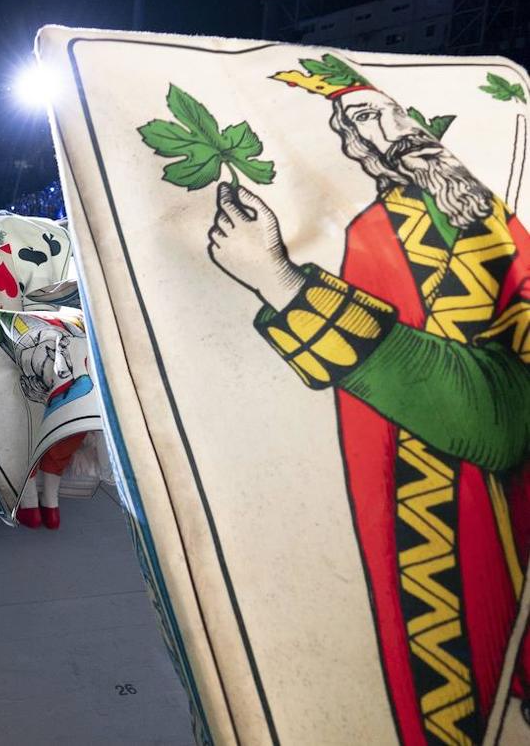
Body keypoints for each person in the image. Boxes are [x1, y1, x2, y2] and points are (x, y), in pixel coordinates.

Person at [207, 54, 530, 743]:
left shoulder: (509, 224)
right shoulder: (370, 234)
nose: (385, 124)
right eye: (362, 119)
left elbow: (505, 412)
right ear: (354, 147)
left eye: (391, 112)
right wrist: (279, 279)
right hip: (435, 519)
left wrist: (283, 283)